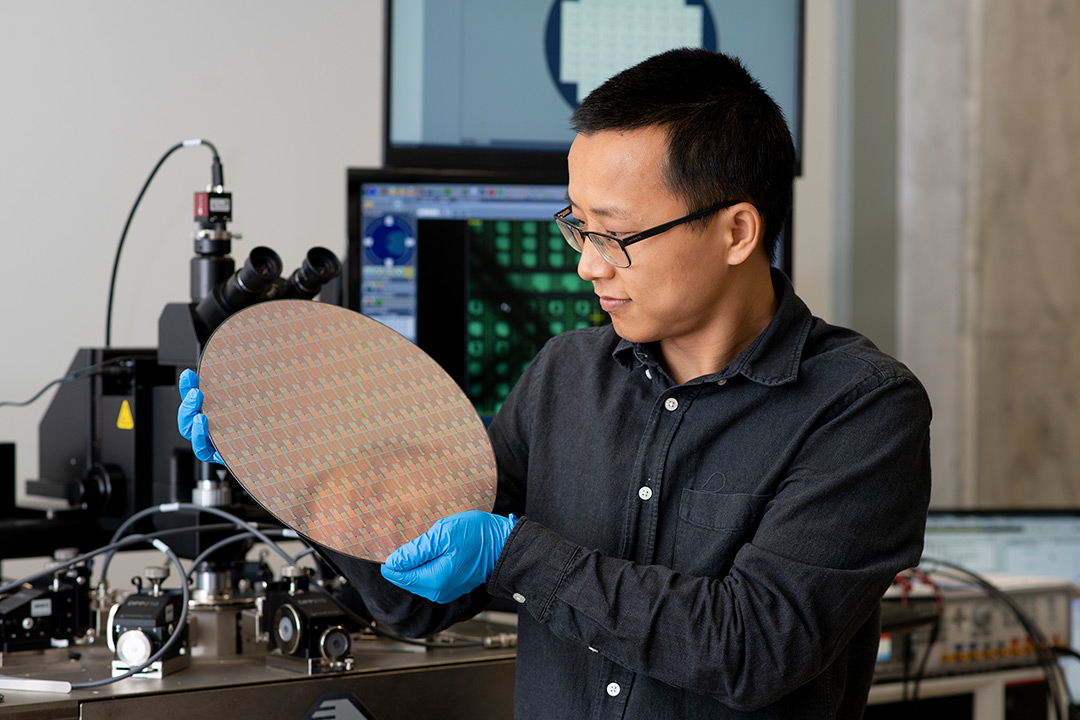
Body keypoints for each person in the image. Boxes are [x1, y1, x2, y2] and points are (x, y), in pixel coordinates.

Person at [179, 48, 931, 719]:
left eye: (614, 234)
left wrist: (518, 554)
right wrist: (287, 465)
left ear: (737, 230)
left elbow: (752, 648)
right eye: (577, 226)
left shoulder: (862, 409)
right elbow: (415, 598)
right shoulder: (566, 373)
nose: (588, 264)